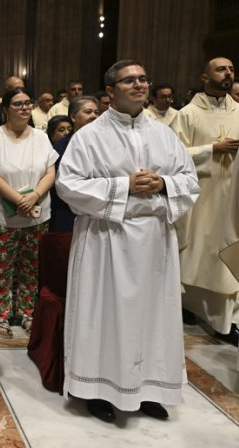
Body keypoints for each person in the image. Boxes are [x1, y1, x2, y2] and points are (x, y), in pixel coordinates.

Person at [57, 60, 200, 423]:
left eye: (142, 79)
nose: (139, 85)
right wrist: (123, 186)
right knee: (103, 316)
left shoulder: (165, 133)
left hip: (153, 242)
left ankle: (148, 388)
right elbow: (68, 185)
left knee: (152, 316)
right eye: (129, 80)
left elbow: (190, 179)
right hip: (107, 241)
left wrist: (164, 184)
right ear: (110, 91)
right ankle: (97, 390)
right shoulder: (89, 136)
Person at [172, 57, 239, 342]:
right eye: (221, 69)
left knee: (228, 251)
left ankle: (228, 319)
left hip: (233, 195)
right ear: (204, 77)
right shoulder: (187, 114)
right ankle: (189, 304)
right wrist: (212, 149)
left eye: (231, 69)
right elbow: (174, 155)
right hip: (200, 196)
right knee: (196, 252)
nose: (228, 73)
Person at [0, 88, 57, 338]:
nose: (25, 108)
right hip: (2, 214)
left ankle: (27, 313)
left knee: (31, 267)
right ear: (6, 110)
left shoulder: (41, 137)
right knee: (1, 268)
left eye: (28, 103)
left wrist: (34, 196)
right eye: (18, 104)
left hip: (37, 212)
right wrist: (18, 199)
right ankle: (1, 316)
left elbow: (50, 172)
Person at [48, 96, 99, 232]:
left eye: (96, 112)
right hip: (67, 214)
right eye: (88, 112)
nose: (94, 116)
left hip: (99, 211)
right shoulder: (60, 147)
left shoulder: (106, 143)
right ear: (73, 117)